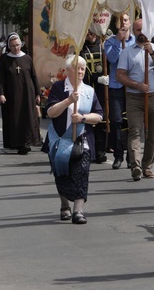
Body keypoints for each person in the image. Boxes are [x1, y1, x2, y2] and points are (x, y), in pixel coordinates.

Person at [44, 55, 104, 225]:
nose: (80, 71)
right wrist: (69, 100)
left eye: (82, 69)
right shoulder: (58, 88)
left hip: (81, 139)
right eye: (76, 68)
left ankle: (78, 210)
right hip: (59, 139)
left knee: (82, 172)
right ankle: (64, 205)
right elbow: (51, 112)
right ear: (68, 70)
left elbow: (99, 115)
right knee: (62, 172)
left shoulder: (89, 91)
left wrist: (83, 118)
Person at [117, 18, 154, 181]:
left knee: (152, 134)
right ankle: (136, 166)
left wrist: (152, 53)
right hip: (134, 97)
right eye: (138, 30)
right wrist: (136, 85)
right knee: (135, 131)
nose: (141, 34)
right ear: (133, 31)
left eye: (143, 30)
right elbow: (120, 75)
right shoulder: (127, 52)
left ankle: (147, 166)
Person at [0, 32, 42, 154]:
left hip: (27, 93)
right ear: (9, 46)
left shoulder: (27, 58)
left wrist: (37, 93)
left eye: (17, 45)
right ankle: (15, 143)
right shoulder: (5, 59)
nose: (16, 47)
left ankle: (26, 143)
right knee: (14, 118)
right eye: (13, 45)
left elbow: (34, 76)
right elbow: (0, 77)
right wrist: (1, 93)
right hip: (11, 95)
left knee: (28, 118)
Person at [103, 13, 135, 170]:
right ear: (116, 24)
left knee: (131, 122)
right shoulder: (109, 42)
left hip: (131, 86)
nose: (124, 23)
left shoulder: (136, 41)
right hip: (116, 86)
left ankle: (131, 156)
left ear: (130, 23)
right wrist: (118, 40)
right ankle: (118, 155)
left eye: (126, 20)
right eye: (121, 20)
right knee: (116, 120)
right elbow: (112, 59)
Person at [81, 29, 108, 163]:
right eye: (88, 31)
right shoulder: (81, 49)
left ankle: (100, 151)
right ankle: (88, 150)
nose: (90, 34)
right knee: (88, 122)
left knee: (101, 121)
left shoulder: (104, 46)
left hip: (103, 91)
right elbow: (80, 70)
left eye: (92, 31)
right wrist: (96, 79)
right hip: (87, 90)